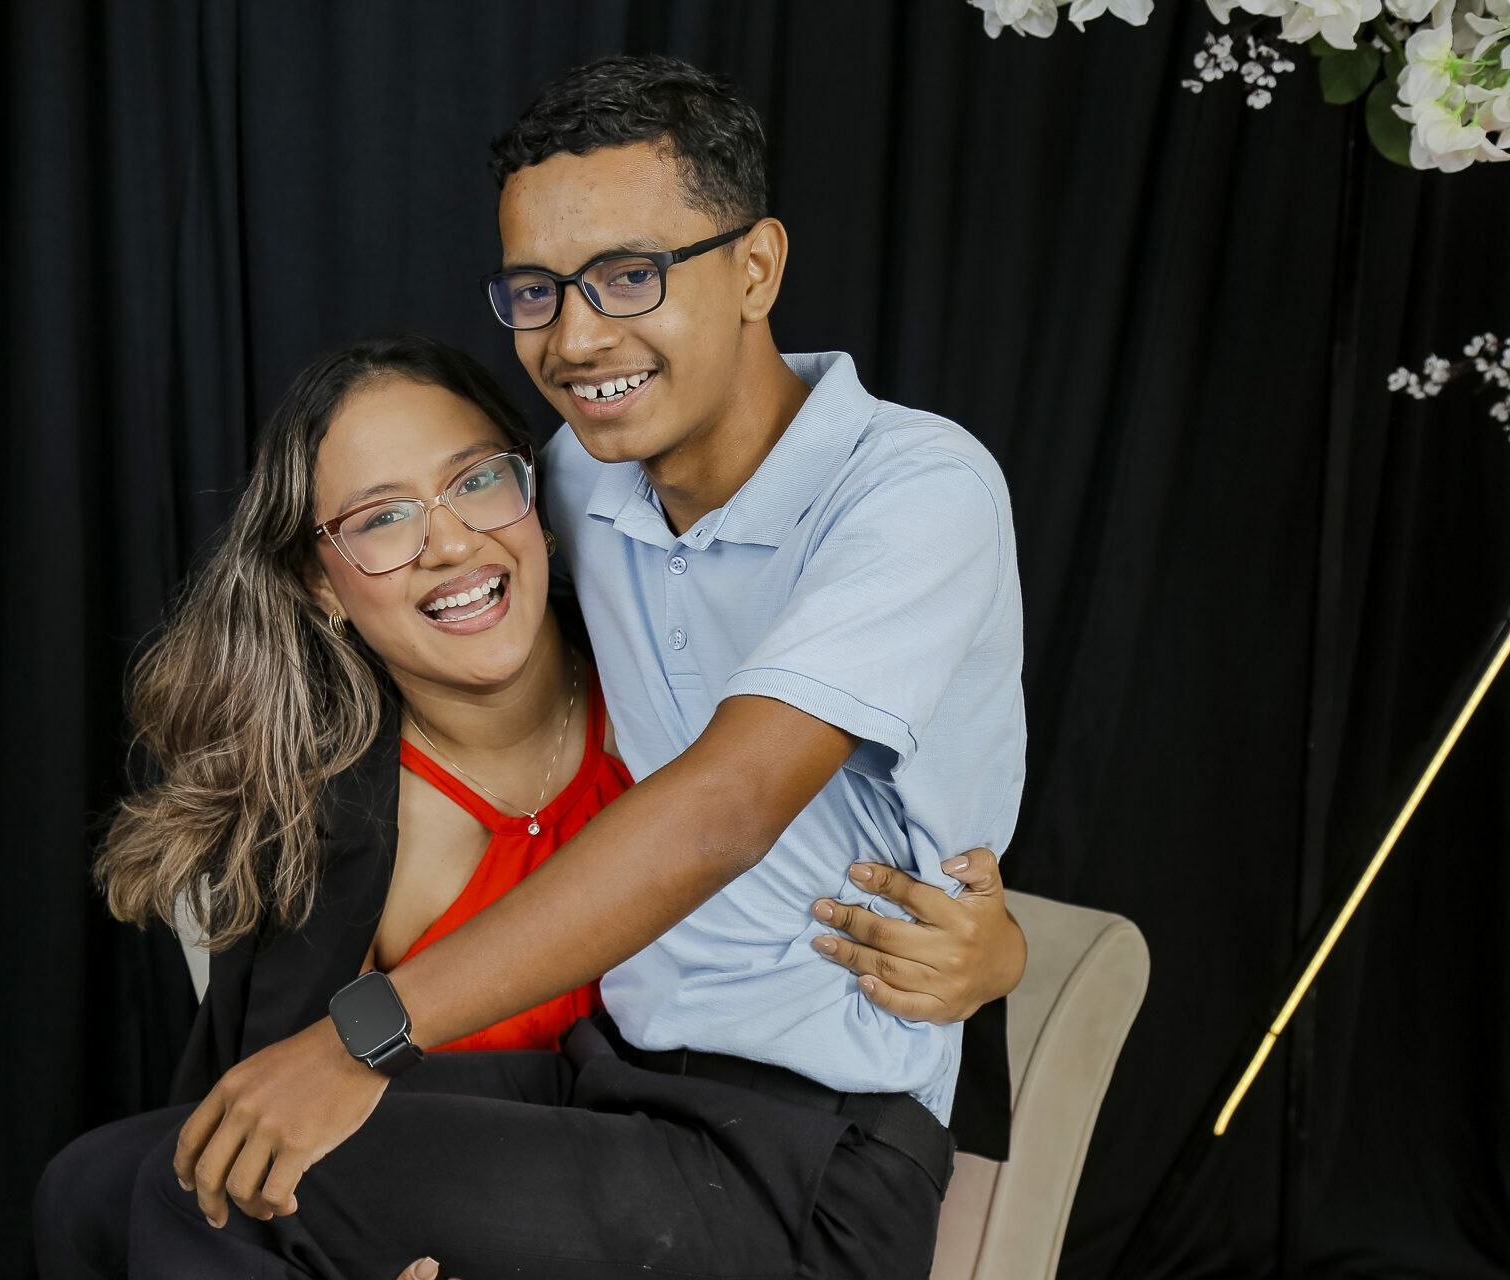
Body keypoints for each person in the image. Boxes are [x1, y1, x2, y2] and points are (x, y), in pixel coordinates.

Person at [132, 53, 1028, 1280]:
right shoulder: (575, 485)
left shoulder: (916, 490)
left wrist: (362, 1034)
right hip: (615, 1088)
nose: (577, 335)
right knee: (127, 1175)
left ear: (756, 268)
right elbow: (429, 585)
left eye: (630, 275)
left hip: (817, 1150)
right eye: (536, 291)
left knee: (211, 1195)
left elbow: (724, 809)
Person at [32, 334, 1014, 1279]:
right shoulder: (343, 820)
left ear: (538, 497)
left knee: (205, 1202)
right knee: (99, 1189)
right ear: (318, 581)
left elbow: (847, 817)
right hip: (567, 1146)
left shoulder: (672, 701)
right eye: (382, 518)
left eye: (475, 481)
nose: (450, 541)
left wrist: (995, 953)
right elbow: (275, 1105)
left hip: (747, 1156)